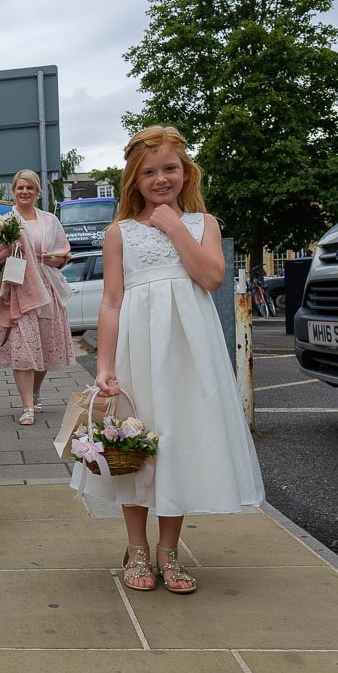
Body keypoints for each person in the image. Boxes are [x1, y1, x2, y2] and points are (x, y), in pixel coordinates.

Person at [72, 125, 265, 593]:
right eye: (149, 172)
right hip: (140, 346)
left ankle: (168, 551)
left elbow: (212, 277)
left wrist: (177, 227)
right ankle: (137, 547)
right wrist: (104, 365)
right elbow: (112, 301)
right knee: (135, 447)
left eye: (170, 169)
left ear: (186, 172)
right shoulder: (119, 232)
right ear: (133, 180)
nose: (161, 179)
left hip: (187, 352)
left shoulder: (204, 224)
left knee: (176, 442)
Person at [0, 170, 74, 425]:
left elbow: (64, 256)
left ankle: (35, 392)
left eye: (30, 188)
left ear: (37, 192)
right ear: (14, 191)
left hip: (46, 289)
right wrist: (9, 251)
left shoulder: (50, 221)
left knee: (44, 346)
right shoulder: (2, 221)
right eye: (20, 188)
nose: (25, 192)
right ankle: (27, 407)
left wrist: (53, 258)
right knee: (23, 350)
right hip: (16, 289)